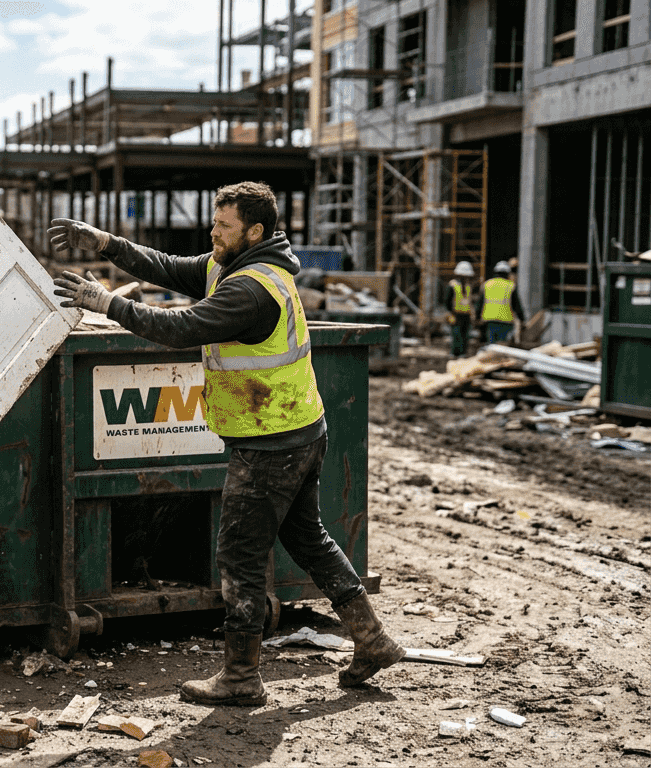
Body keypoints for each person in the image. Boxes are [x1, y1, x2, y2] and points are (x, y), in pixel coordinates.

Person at [49, 182, 404, 707]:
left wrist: (106, 303)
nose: (212, 234)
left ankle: (240, 677)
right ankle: (373, 640)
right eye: (214, 224)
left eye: (223, 227)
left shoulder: (252, 290)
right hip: (299, 429)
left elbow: (180, 327)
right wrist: (106, 243)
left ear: (254, 232)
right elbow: (169, 268)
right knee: (308, 540)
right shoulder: (232, 266)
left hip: (271, 444)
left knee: (238, 557)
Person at [477, 261, 523, 343]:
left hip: (489, 320)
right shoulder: (511, 286)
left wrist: (477, 317)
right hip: (505, 321)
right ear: (507, 273)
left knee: (491, 345)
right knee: (502, 346)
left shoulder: (487, 284)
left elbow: (480, 302)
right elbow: (516, 305)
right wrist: (522, 319)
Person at [444, 261, 477, 358]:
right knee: (456, 335)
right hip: (455, 314)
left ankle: (463, 353)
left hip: (466, 315)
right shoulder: (453, 285)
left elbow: (470, 301)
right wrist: (450, 313)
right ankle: (455, 353)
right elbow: (447, 300)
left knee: (465, 335)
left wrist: (472, 314)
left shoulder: (468, 286)